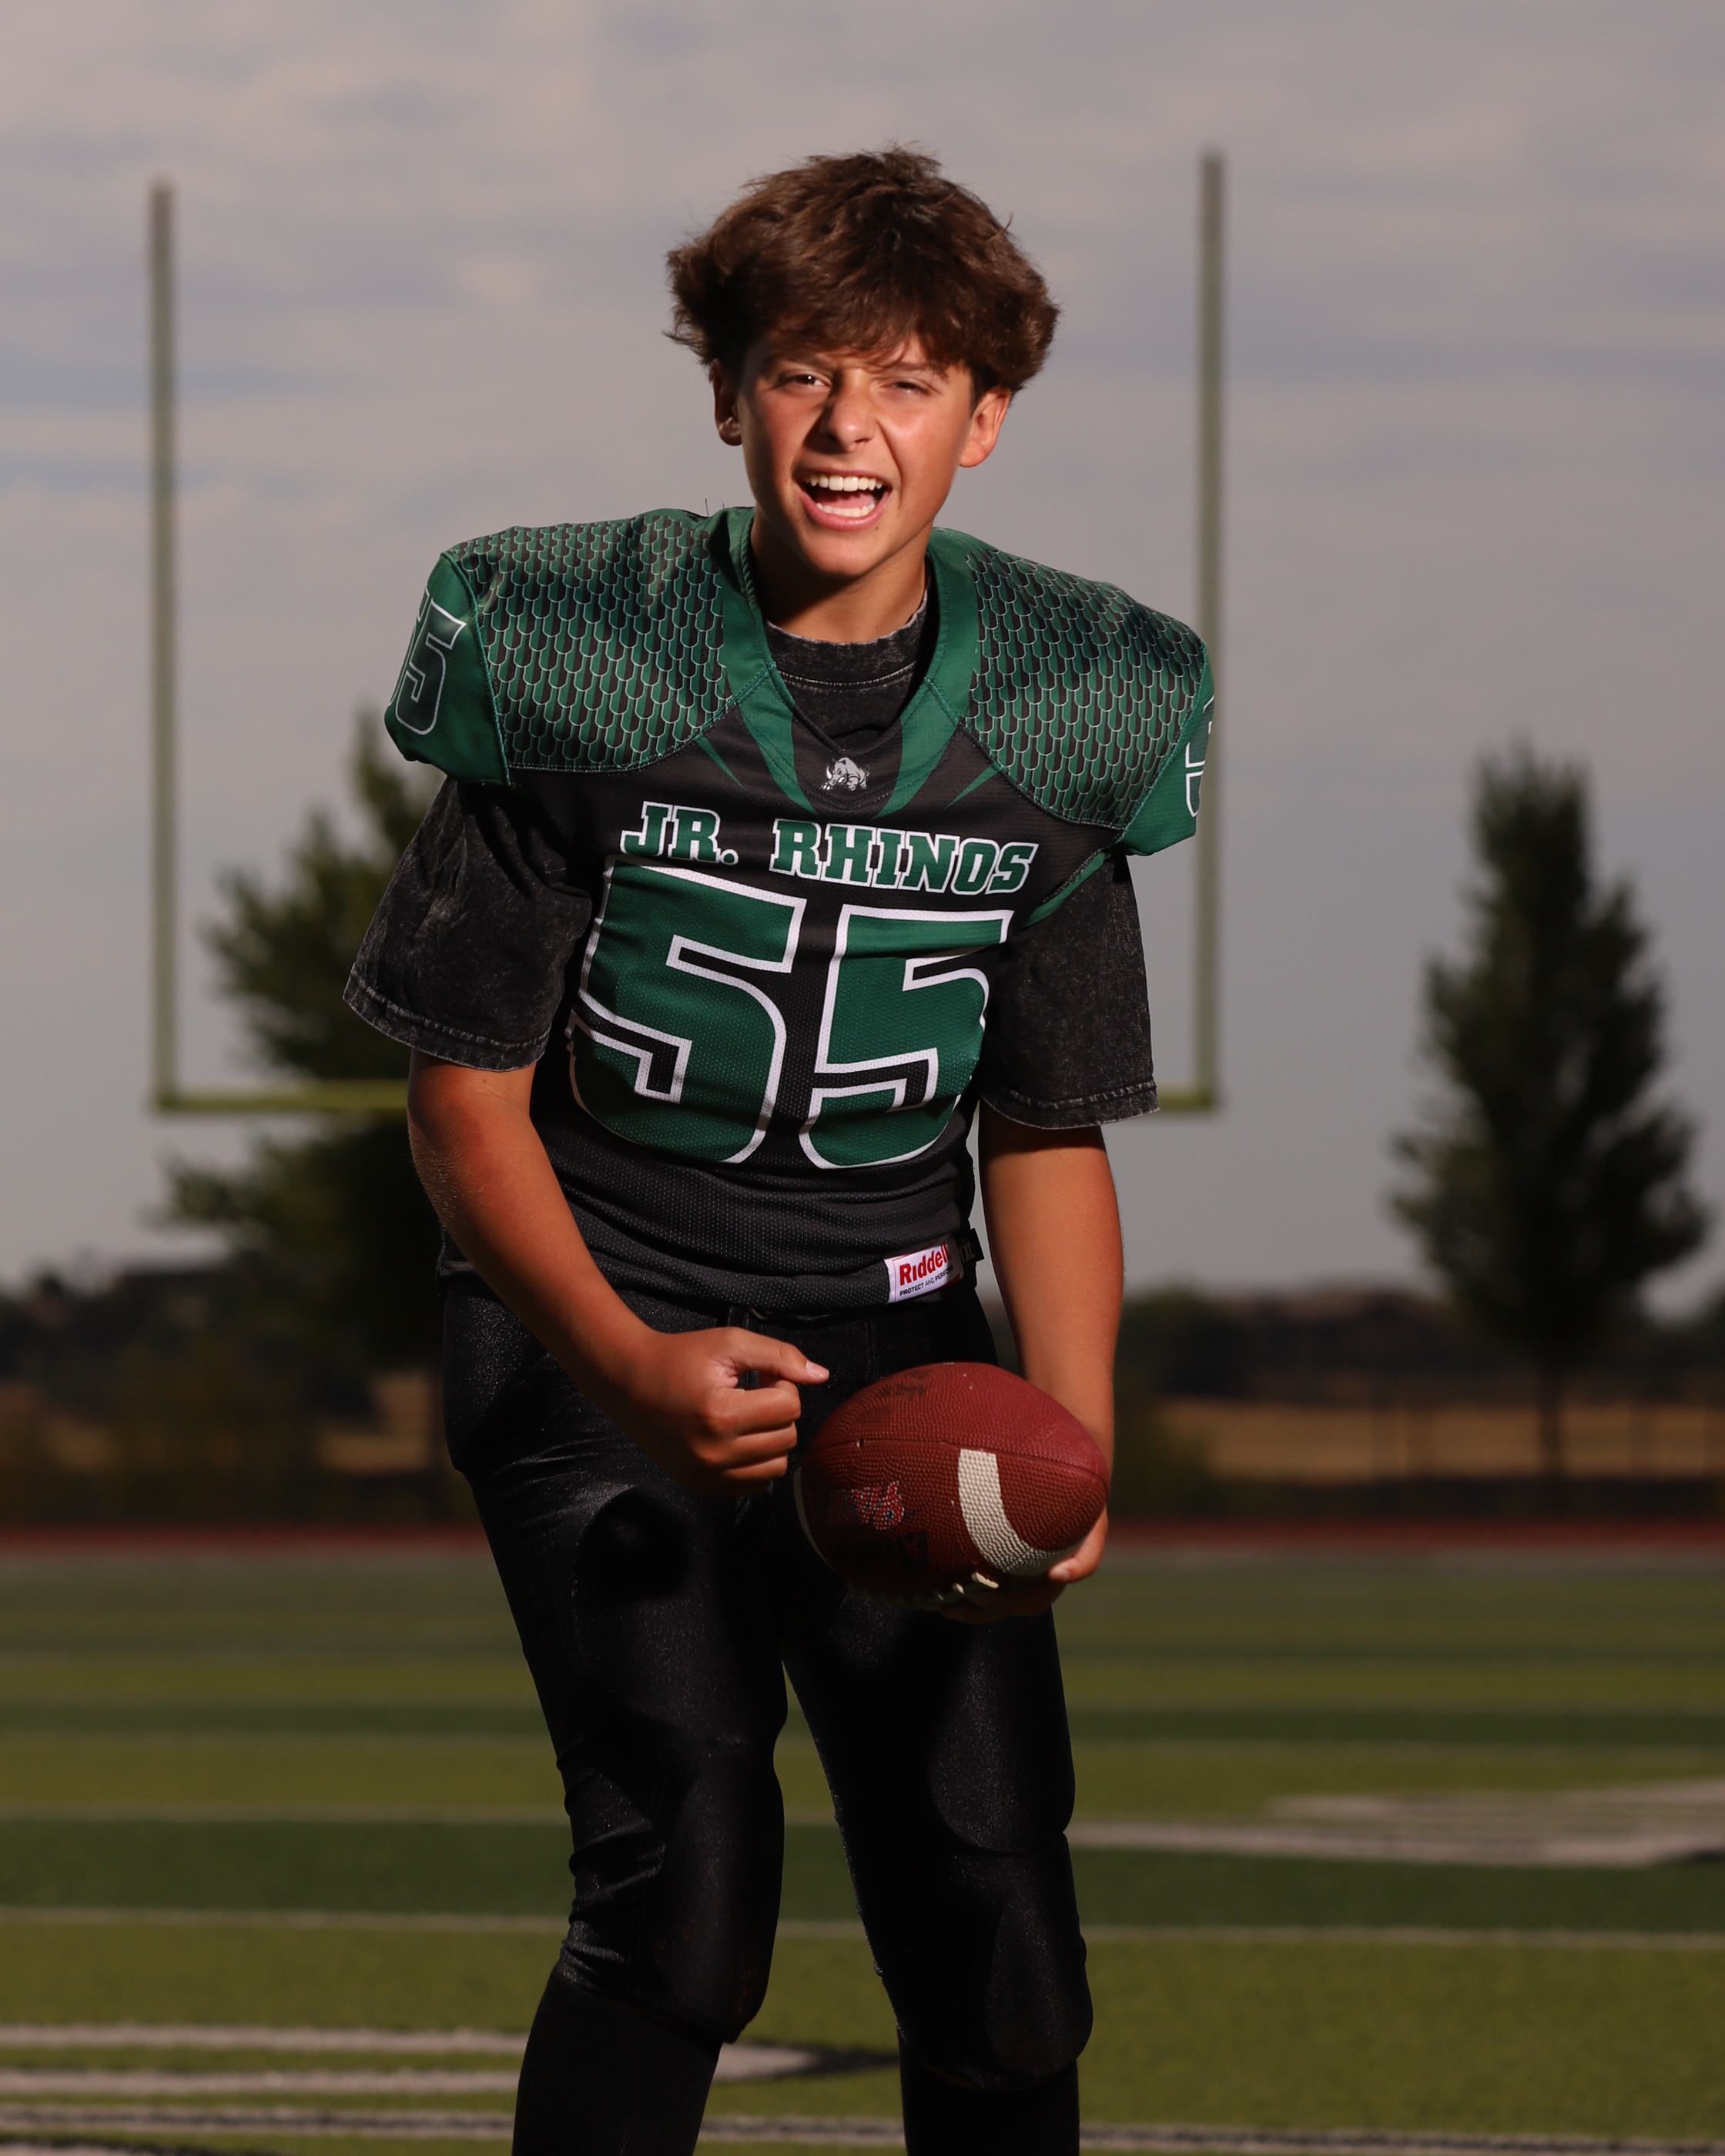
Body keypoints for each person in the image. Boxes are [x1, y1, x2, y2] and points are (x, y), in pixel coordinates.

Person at [346, 146, 1211, 2156]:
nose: (848, 427)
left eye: (908, 379)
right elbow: (462, 1096)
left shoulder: (1068, 702)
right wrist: (629, 1365)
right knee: (686, 1905)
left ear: (985, 417)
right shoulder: (583, 651)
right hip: (600, 1316)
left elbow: (1044, 1129)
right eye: (806, 370)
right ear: (727, 390)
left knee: (1001, 1942)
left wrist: (1073, 1430)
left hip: (904, 1340)